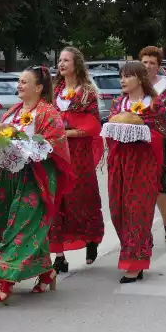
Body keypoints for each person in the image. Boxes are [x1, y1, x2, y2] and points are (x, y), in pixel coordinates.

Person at [0, 66, 73, 303]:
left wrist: (25, 146)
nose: (19, 86)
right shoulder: (14, 111)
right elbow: (1, 134)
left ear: (39, 88)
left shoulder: (49, 113)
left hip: (35, 177)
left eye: (24, 82)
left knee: (20, 227)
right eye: (18, 81)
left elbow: (54, 147)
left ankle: (4, 282)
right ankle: (46, 272)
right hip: (9, 176)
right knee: (10, 223)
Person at [107, 62, 166, 282]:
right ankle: (132, 251)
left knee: (137, 211)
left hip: (143, 163)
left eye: (127, 76)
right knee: (117, 210)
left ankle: (135, 261)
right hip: (119, 162)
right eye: (121, 76)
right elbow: (110, 130)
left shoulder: (155, 105)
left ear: (140, 79)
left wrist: (140, 128)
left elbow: (160, 134)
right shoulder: (117, 104)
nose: (122, 80)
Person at [49, 47, 104, 270]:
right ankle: (59, 256)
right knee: (57, 200)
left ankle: (91, 239)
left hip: (79, 153)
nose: (61, 64)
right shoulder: (54, 90)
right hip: (57, 152)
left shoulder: (87, 92)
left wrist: (65, 132)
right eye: (59, 60)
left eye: (66, 60)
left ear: (76, 64)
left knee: (82, 198)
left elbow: (92, 126)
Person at [139, 46, 166, 242]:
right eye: (144, 62)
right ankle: (142, 231)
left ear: (158, 66)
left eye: (152, 63)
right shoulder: (134, 86)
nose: (147, 66)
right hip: (137, 141)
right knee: (139, 187)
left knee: (159, 185)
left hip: (160, 140)